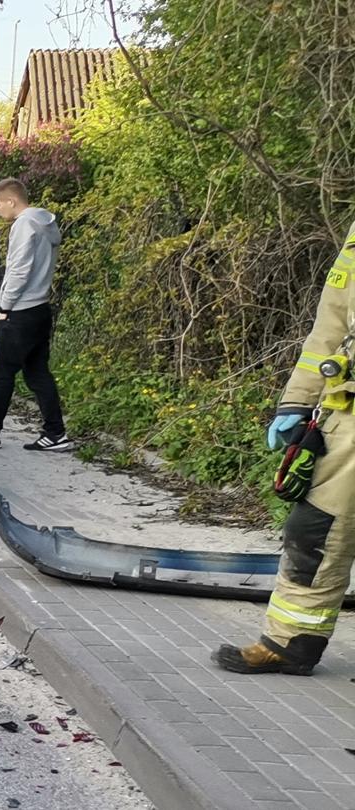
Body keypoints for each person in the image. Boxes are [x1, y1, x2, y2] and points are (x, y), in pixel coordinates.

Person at [216, 217, 355, 676]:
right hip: (348, 413)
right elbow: (330, 326)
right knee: (314, 530)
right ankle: (289, 642)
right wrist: (297, 400)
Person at [0, 178, 73, 451]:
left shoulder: (24, 225)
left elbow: (19, 269)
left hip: (19, 310)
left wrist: (4, 306)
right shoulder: (45, 223)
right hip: (41, 308)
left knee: (2, 372)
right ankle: (55, 433)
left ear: (12, 200)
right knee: (37, 372)